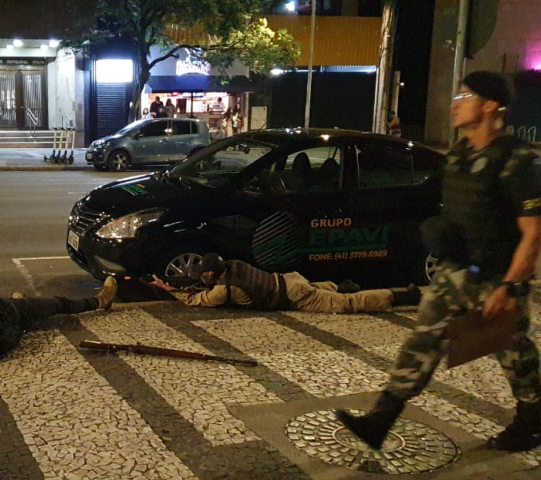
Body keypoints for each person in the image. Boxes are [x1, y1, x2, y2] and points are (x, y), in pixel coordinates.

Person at [336, 71, 541, 453]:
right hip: (457, 272)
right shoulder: (460, 154)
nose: (455, 103)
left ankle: (531, 419)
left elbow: (533, 233)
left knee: (514, 353)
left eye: (465, 96)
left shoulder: (518, 160)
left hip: (498, 278)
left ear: (491, 105)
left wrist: (510, 287)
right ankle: (381, 418)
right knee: (423, 339)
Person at [147, 253, 421, 313]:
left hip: (295, 295)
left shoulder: (224, 290)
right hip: (289, 279)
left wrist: (166, 289)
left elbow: (197, 299)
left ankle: (402, 297)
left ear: (211, 275)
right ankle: (341, 284)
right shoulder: (233, 265)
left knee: (347, 306)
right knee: (322, 288)